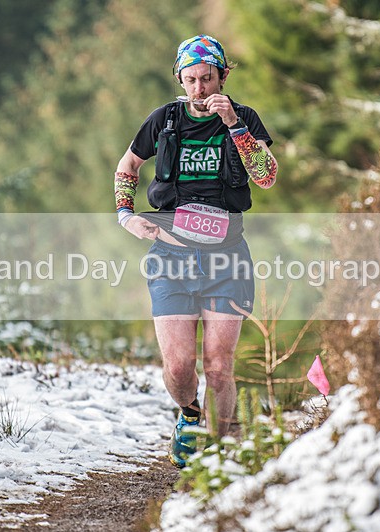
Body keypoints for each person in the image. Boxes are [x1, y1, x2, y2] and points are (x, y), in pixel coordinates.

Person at [114, 34, 278, 468]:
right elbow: (128, 165)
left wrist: (235, 126)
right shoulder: (164, 119)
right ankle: (189, 413)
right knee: (179, 365)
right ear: (180, 80)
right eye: (191, 80)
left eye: (207, 78)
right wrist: (126, 215)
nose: (200, 88)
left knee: (219, 366)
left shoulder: (244, 118)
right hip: (171, 257)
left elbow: (265, 177)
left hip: (227, 258)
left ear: (223, 76)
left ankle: (216, 456)